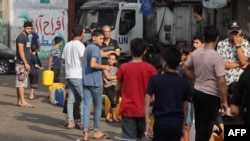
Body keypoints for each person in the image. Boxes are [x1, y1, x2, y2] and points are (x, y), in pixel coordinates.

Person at [182, 25, 228, 141]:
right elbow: (221, 81)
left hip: (197, 93)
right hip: (211, 96)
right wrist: (224, 101)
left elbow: (185, 68)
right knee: (206, 129)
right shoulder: (216, 57)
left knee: (199, 126)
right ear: (217, 38)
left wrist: (196, 79)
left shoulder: (196, 53)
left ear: (204, 37)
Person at [145, 47, 192, 141]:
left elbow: (146, 102)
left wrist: (147, 124)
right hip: (177, 123)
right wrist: (182, 125)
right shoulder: (184, 83)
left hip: (160, 121)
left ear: (164, 62)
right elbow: (186, 107)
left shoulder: (155, 80)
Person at [115, 38, 157, 140]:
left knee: (129, 137)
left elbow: (118, 87)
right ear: (145, 51)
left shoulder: (123, 67)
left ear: (130, 50)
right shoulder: (151, 69)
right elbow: (155, 92)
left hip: (128, 108)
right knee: (140, 137)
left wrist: (117, 98)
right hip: (145, 110)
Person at [82, 29, 111, 141]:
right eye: (100, 38)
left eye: (103, 39)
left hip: (86, 81)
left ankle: (85, 133)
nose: (102, 41)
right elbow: (93, 64)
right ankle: (96, 131)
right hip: (95, 83)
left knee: (86, 107)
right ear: (93, 37)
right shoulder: (95, 49)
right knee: (98, 107)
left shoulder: (87, 48)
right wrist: (105, 67)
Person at [217, 21, 250, 116]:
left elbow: (245, 62)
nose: (234, 35)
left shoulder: (246, 43)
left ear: (240, 32)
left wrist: (238, 46)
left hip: (242, 77)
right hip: (227, 76)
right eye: (232, 33)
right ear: (228, 32)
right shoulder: (222, 44)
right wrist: (238, 64)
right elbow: (222, 64)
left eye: (236, 32)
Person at [61, 25, 85, 129]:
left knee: (71, 99)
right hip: (78, 75)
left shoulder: (67, 45)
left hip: (69, 74)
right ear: (81, 34)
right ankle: (83, 121)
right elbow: (83, 59)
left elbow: (63, 60)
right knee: (85, 98)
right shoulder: (80, 45)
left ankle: (71, 121)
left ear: (72, 33)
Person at [15, 21, 34, 108]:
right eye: (28, 28)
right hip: (21, 63)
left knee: (20, 82)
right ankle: (22, 101)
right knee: (21, 83)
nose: (29, 30)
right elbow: (20, 50)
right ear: (24, 28)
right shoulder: (21, 37)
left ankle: (19, 101)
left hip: (23, 63)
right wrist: (26, 63)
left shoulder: (26, 37)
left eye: (30, 28)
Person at [103, 53, 119, 123]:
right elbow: (107, 77)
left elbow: (119, 78)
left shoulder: (116, 69)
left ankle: (108, 116)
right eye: (109, 59)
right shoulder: (105, 67)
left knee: (114, 101)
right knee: (113, 100)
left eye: (112, 59)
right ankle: (114, 116)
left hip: (115, 87)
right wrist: (115, 78)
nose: (110, 60)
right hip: (108, 86)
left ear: (115, 61)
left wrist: (112, 79)